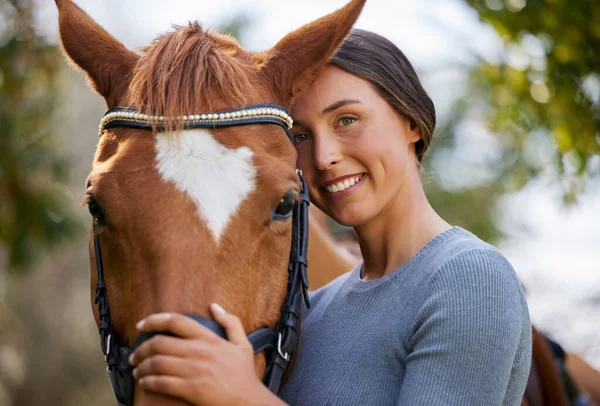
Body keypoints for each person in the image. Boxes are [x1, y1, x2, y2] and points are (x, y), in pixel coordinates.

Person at [128, 29, 533, 405]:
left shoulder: (470, 277)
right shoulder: (308, 314)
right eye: (301, 136)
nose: (324, 157)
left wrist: (244, 397)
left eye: (347, 120)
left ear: (411, 121)